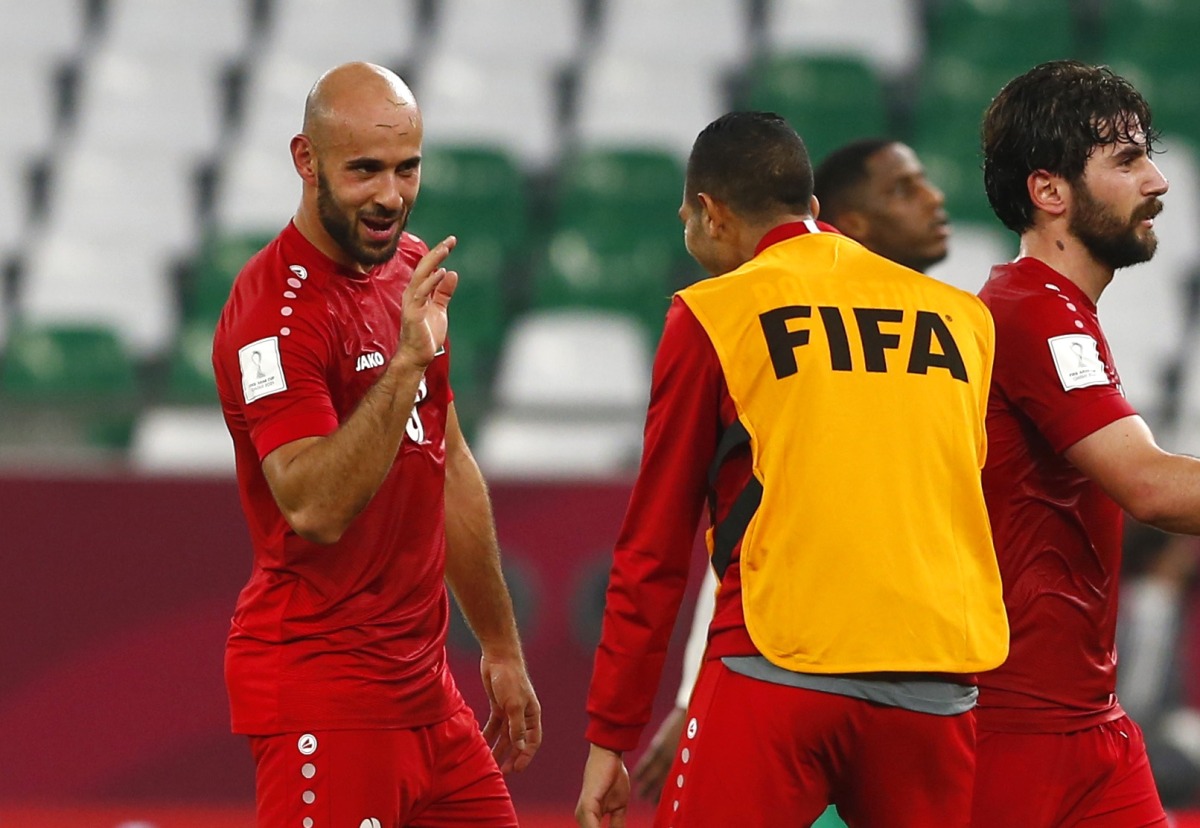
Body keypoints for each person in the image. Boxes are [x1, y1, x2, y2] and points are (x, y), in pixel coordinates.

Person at [575, 111, 1009, 828]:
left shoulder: (715, 314)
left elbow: (652, 552)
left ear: (710, 216)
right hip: (936, 683)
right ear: (811, 209)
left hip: (776, 666)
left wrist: (608, 739)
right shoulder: (963, 317)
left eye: (688, 219)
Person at [211, 62, 540, 827]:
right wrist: (406, 366)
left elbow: (448, 463)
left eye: (406, 168)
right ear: (306, 160)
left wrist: (499, 646)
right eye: (364, 170)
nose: (390, 196)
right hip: (323, 693)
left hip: (427, 696)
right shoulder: (272, 312)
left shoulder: (407, 271)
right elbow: (314, 507)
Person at [631, 136, 953, 804]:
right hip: (868, 682)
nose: (934, 199)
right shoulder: (953, 334)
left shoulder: (957, 333)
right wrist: (696, 697)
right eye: (904, 188)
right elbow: (748, 539)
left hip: (858, 680)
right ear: (840, 219)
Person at [970, 58, 1200, 826]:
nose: (1157, 183)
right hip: (1013, 736)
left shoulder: (1053, 310)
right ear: (1049, 192)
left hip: (1085, 725)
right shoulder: (1032, 312)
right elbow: (1152, 488)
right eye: (1128, 161)